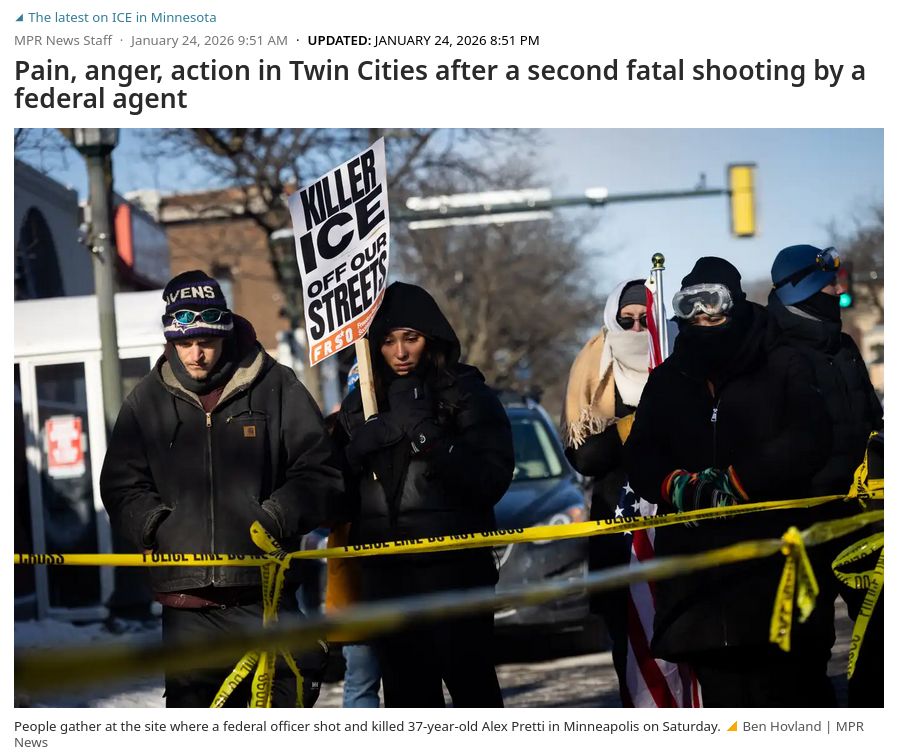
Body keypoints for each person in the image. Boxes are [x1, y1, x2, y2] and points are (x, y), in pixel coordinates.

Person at [100, 270, 343, 708]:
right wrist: (157, 525)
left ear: (225, 331)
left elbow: (319, 470)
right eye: (186, 341)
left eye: (207, 341)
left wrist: (274, 517)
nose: (197, 353)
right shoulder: (146, 400)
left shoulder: (277, 384)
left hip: (265, 596)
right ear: (170, 338)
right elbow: (120, 484)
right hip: (185, 603)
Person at [625, 257, 837, 708]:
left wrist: (741, 479)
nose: (702, 318)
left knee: (795, 699)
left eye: (714, 306)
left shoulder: (780, 363)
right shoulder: (668, 380)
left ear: (736, 305)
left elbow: (810, 437)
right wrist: (674, 485)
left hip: (774, 576)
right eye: (691, 308)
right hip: (701, 592)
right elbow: (641, 456)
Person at [332, 281, 514, 707]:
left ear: (430, 340)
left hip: (456, 575)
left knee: (473, 693)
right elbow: (332, 497)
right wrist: (354, 452)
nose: (400, 352)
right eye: (389, 341)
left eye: (410, 339)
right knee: (407, 700)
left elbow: (491, 479)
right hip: (386, 579)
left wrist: (429, 438)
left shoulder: (467, 393)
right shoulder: (360, 404)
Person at [768, 244, 884, 707]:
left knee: (878, 632)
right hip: (802, 524)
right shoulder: (773, 352)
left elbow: (872, 421)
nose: (839, 290)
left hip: (861, 518)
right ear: (805, 287)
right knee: (807, 646)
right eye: (830, 283)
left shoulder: (844, 343)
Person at [561, 279, 650, 702]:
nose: (635, 328)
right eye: (626, 319)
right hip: (617, 526)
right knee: (627, 647)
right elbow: (583, 457)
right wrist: (630, 427)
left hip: (673, 525)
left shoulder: (677, 357)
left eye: (644, 319)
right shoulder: (595, 366)